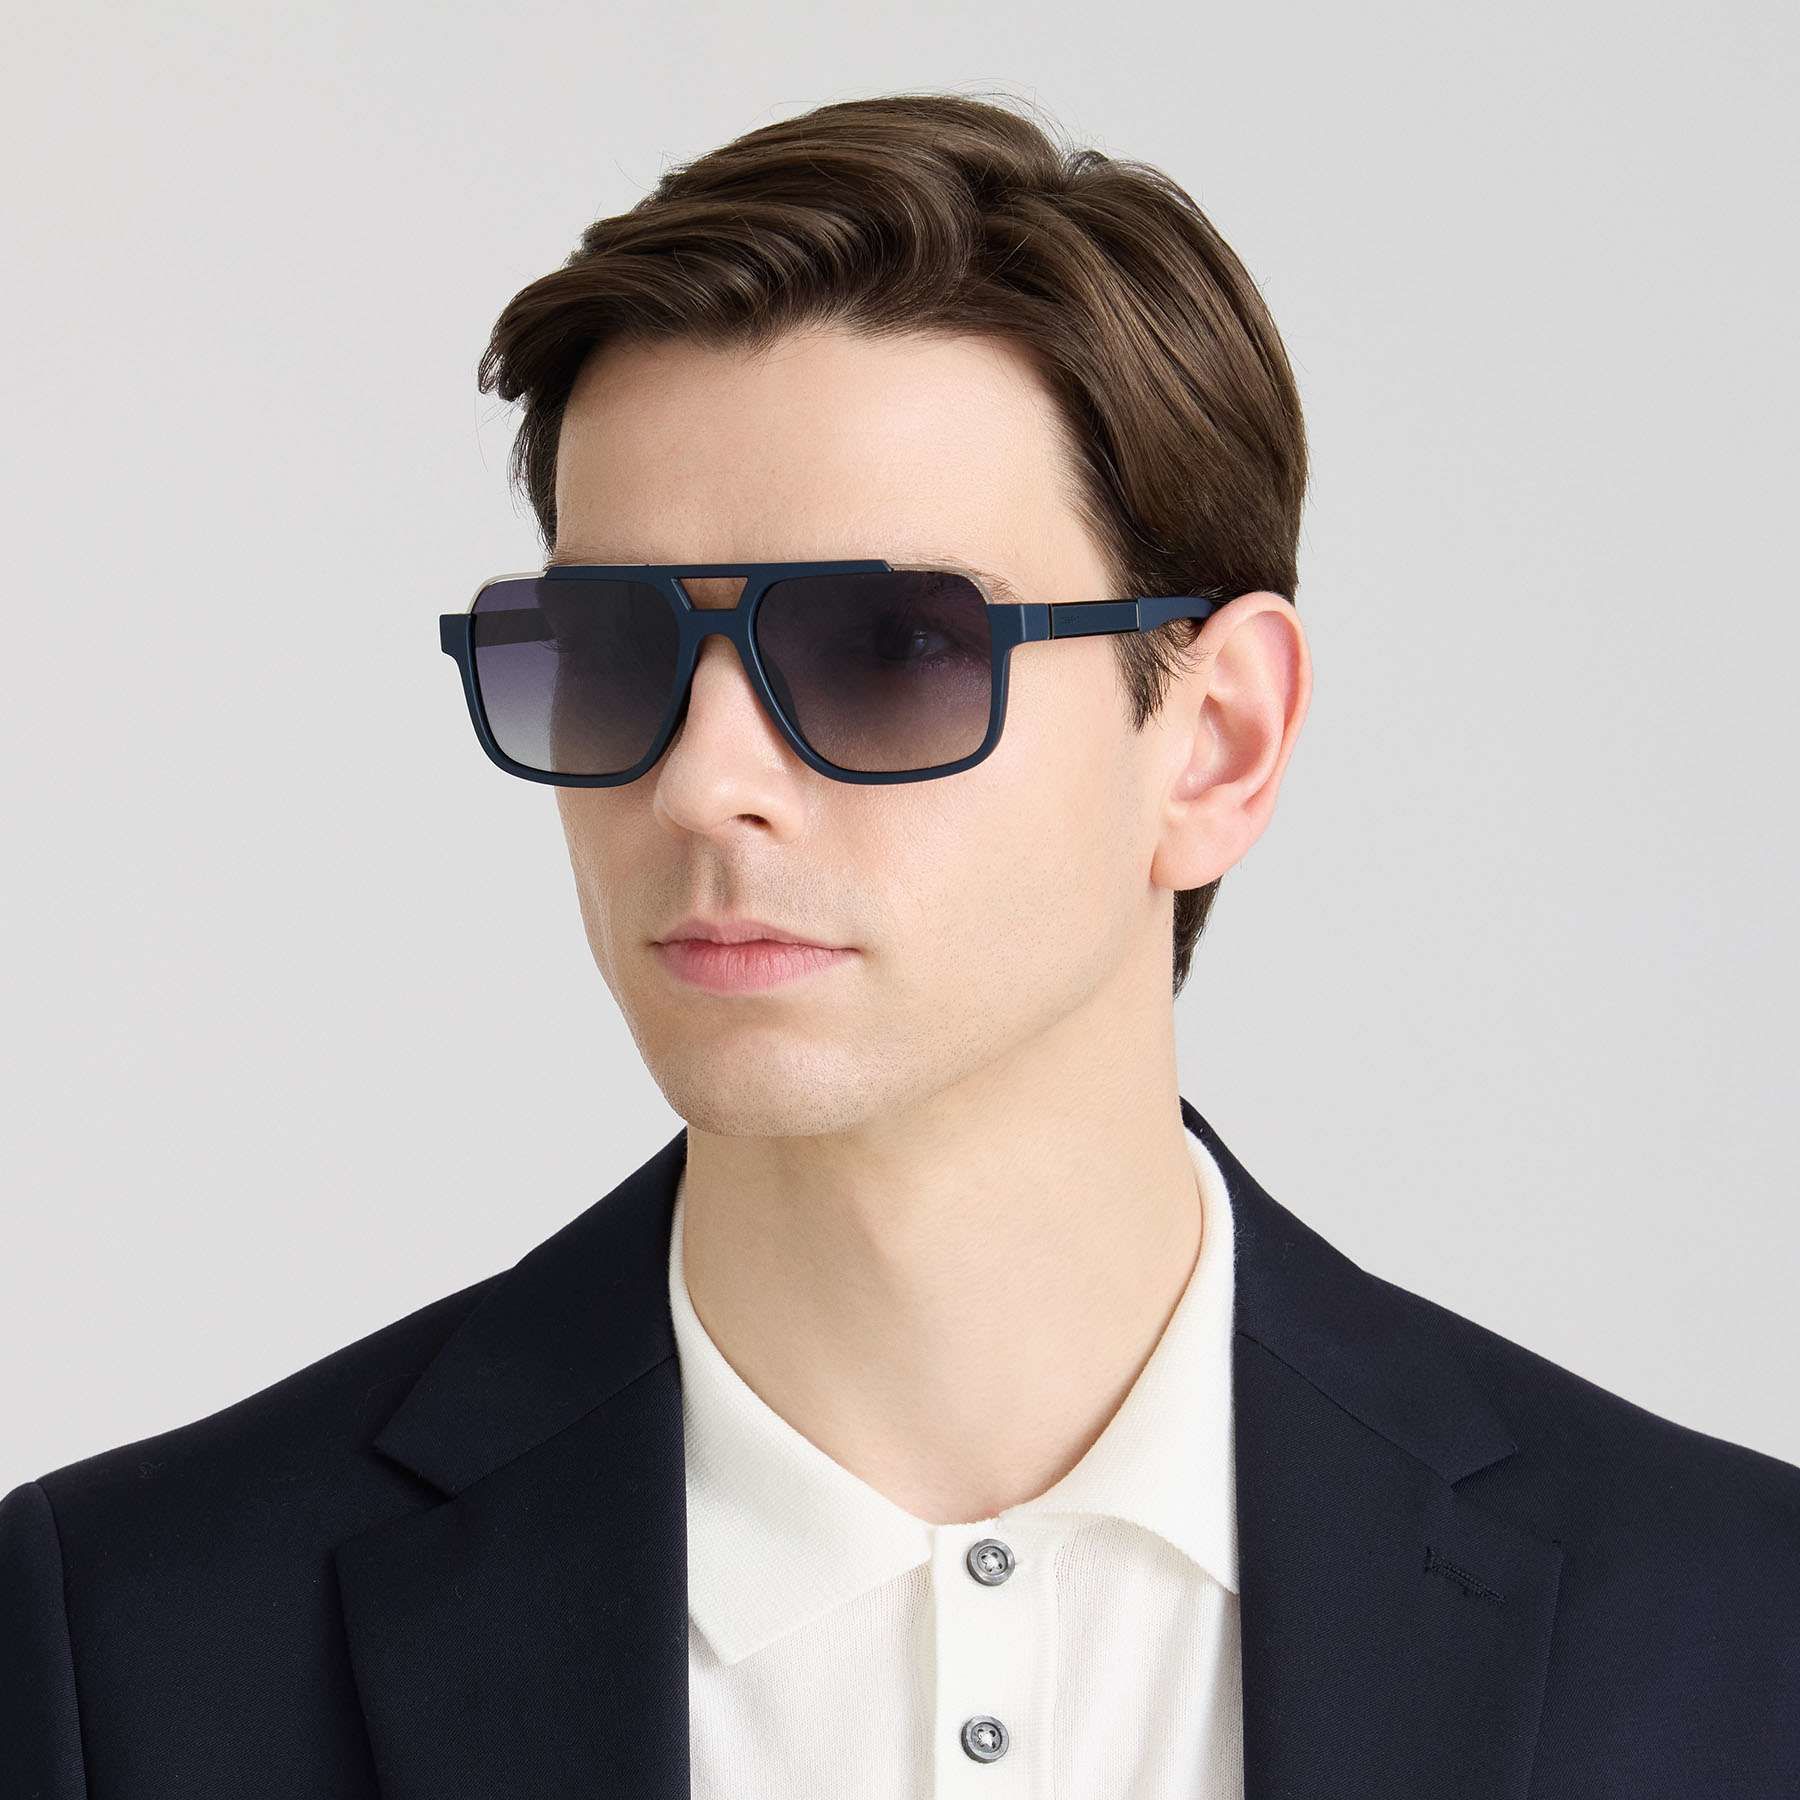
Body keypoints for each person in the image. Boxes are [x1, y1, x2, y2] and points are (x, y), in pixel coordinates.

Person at [3, 90, 1796, 1800]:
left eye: (887, 647)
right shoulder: (136, 1648)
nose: (702, 783)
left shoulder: (1734, 1631)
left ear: (1217, 741)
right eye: (615, 654)